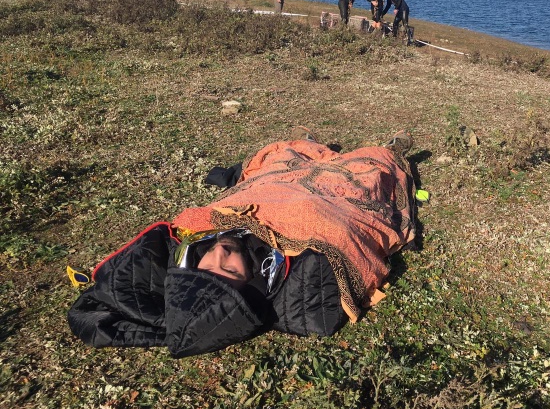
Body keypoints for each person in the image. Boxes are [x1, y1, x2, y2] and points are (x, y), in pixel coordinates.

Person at [68, 127, 417, 358]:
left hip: (268, 189)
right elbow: (341, 238)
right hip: (325, 202)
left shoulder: (200, 239)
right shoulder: (284, 277)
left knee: (280, 158)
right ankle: (386, 150)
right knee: (368, 172)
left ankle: (309, 144)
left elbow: (133, 271)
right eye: (227, 272)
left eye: (206, 265)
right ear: (250, 285)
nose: (218, 253)